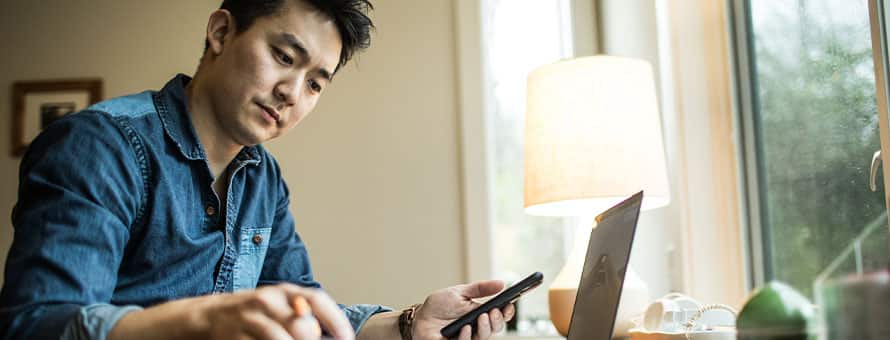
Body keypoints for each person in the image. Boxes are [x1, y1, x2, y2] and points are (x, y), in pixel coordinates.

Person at [0, 1, 515, 339]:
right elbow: (37, 324)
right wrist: (200, 320)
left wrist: (408, 324)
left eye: (316, 83)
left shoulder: (263, 179)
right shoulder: (100, 145)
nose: (293, 92)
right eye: (283, 56)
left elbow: (308, 314)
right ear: (221, 32)